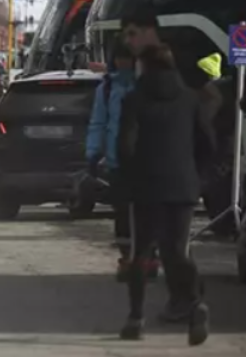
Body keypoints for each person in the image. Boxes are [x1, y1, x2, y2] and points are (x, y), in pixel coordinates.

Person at [115, 43, 214, 344]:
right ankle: (196, 304)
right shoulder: (190, 99)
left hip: (146, 187)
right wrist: (197, 178)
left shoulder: (134, 100)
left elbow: (126, 146)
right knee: (177, 251)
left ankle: (135, 318)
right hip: (183, 187)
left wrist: (128, 177)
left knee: (141, 253)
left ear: (143, 66)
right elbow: (207, 143)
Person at [85, 43, 154, 281]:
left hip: (146, 160)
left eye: (128, 57)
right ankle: (127, 257)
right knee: (123, 213)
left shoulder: (146, 86)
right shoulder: (106, 88)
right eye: (120, 58)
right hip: (118, 161)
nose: (124, 63)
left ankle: (147, 257)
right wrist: (93, 153)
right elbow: (98, 122)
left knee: (147, 211)